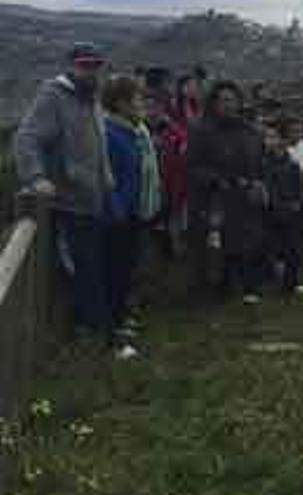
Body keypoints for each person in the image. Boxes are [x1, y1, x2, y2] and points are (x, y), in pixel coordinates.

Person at [13, 42, 132, 356]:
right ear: (71, 66)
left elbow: (98, 143)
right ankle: (100, 338)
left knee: (93, 266)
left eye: (95, 65)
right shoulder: (53, 96)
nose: (90, 70)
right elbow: (27, 137)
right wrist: (36, 178)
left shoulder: (90, 98)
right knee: (84, 270)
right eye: (84, 65)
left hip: (92, 199)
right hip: (66, 202)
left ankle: (90, 332)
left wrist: (107, 180)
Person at [187, 81, 266, 304]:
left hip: (246, 197)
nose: (228, 105)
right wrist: (217, 180)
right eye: (223, 100)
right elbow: (193, 166)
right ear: (214, 103)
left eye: (232, 100)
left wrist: (258, 182)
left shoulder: (249, 130)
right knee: (218, 247)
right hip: (215, 199)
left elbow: (259, 160)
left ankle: (248, 284)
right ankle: (216, 286)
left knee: (249, 242)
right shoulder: (202, 131)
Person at [102, 75, 163, 357]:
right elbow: (107, 177)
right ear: (121, 103)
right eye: (137, 100)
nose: (142, 105)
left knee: (126, 272)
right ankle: (112, 336)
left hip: (134, 213)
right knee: (114, 275)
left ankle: (120, 323)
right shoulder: (109, 134)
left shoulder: (133, 132)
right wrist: (117, 210)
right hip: (117, 218)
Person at [262, 120, 303, 298]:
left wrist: (299, 201)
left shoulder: (291, 162)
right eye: (267, 137)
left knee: (293, 249)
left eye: (273, 137)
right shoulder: (263, 163)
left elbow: (299, 185)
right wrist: (278, 206)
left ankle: (292, 282)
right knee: (272, 248)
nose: (269, 141)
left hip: (292, 212)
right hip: (272, 213)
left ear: (282, 140)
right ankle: (271, 278)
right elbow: (268, 189)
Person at [145, 89, 188, 259]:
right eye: (146, 107)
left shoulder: (175, 132)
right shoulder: (139, 130)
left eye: (153, 107)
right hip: (148, 189)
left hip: (171, 186)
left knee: (171, 226)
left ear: (162, 108)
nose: (150, 111)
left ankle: (172, 254)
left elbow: (182, 158)